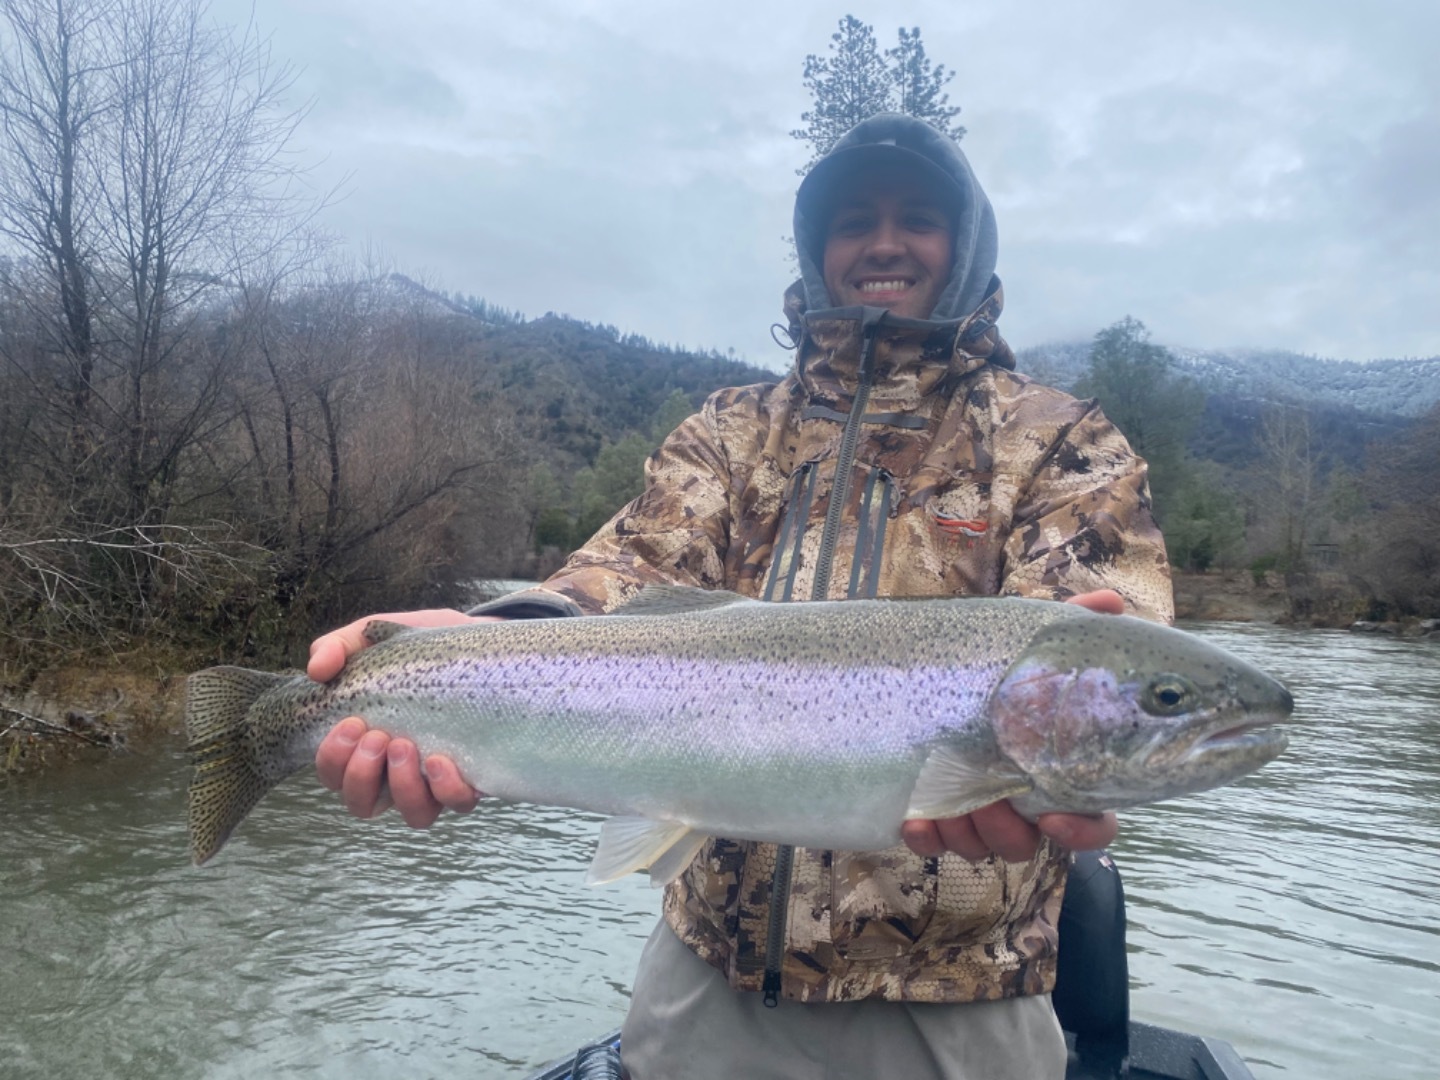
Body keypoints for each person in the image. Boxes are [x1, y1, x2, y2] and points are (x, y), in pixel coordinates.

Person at [308, 113, 1173, 1079]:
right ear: (818, 248)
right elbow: (625, 575)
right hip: (708, 990)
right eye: (854, 221)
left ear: (967, 242)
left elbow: (1109, 638)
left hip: (959, 1005)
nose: (884, 242)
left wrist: (1084, 769)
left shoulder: (1065, 444)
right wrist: (487, 636)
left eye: (918, 217)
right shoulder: (730, 431)